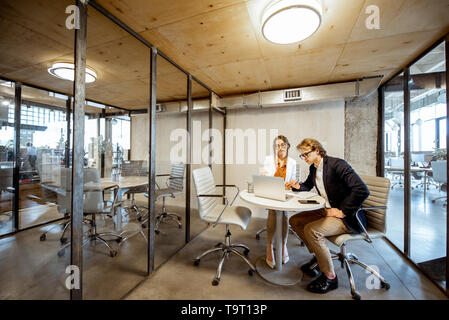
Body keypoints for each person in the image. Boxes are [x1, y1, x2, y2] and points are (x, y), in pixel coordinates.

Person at [285, 138, 369, 294]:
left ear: (317, 150)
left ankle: (330, 277)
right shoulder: (314, 168)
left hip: (347, 217)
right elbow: (307, 186)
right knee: (295, 220)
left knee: (312, 230)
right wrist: (297, 186)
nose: (304, 158)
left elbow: (361, 189)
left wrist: (343, 211)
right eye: (302, 156)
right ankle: (319, 257)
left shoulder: (337, 164)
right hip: (328, 209)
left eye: (306, 154)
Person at [261, 135, 297, 269]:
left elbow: (294, 181)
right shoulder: (269, 160)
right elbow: (264, 175)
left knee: (284, 213)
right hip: (272, 191)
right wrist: (265, 176)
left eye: (282, 145)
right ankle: (270, 246)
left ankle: (283, 245)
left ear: (288, 146)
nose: (280, 148)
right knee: (272, 211)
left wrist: (292, 184)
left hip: (286, 193)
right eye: (277, 145)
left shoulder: (293, 162)